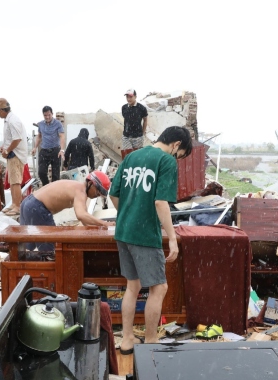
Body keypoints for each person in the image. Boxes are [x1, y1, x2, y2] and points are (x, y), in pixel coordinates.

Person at [109, 126, 192, 355]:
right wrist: (173, 239)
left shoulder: (132, 156)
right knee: (159, 287)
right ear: (176, 145)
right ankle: (151, 340)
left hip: (123, 231)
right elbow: (160, 203)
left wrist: (128, 213)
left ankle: (127, 340)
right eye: (180, 154)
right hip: (145, 235)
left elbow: (113, 194)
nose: (178, 159)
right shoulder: (166, 161)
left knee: (132, 286)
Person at [20, 171, 112, 251]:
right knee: (50, 252)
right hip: (37, 208)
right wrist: (104, 224)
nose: (97, 196)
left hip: (28, 203)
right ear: (90, 184)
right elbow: (81, 215)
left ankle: (22, 268)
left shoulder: (78, 187)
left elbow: (85, 219)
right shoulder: (81, 192)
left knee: (27, 247)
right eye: (97, 192)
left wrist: (97, 231)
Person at [0, 98, 28, 216]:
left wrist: (7, 150)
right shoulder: (8, 120)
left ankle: (17, 206)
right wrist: (4, 147)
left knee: (16, 181)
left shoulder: (12, 121)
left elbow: (17, 139)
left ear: (2, 110)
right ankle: (14, 203)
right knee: (12, 181)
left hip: (16, 155)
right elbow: (11, 138)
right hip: (13, 154)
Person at [32, 106, 65, 185]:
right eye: (45, 115)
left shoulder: (58, 124)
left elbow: (62, 136)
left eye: (49, 115)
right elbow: (39, 136)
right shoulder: (41, 124)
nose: (47, 117)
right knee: (41, 173)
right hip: (44, 151)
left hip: (55, 151)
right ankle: (47, 187)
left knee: (55, 176)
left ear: (52, 114)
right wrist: (35, 147)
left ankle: (54, 192)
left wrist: (62, 150)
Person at [121, 89, 148, 159]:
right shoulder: (124, 108)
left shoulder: (141, 108)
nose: (128, 99)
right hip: (126, 136)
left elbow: (145, 120)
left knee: (137, 157)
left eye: (130, 97)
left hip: (138, 137)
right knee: (128, 157)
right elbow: (126, 120)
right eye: (127, 97)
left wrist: (143, 132)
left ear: (135, 97)